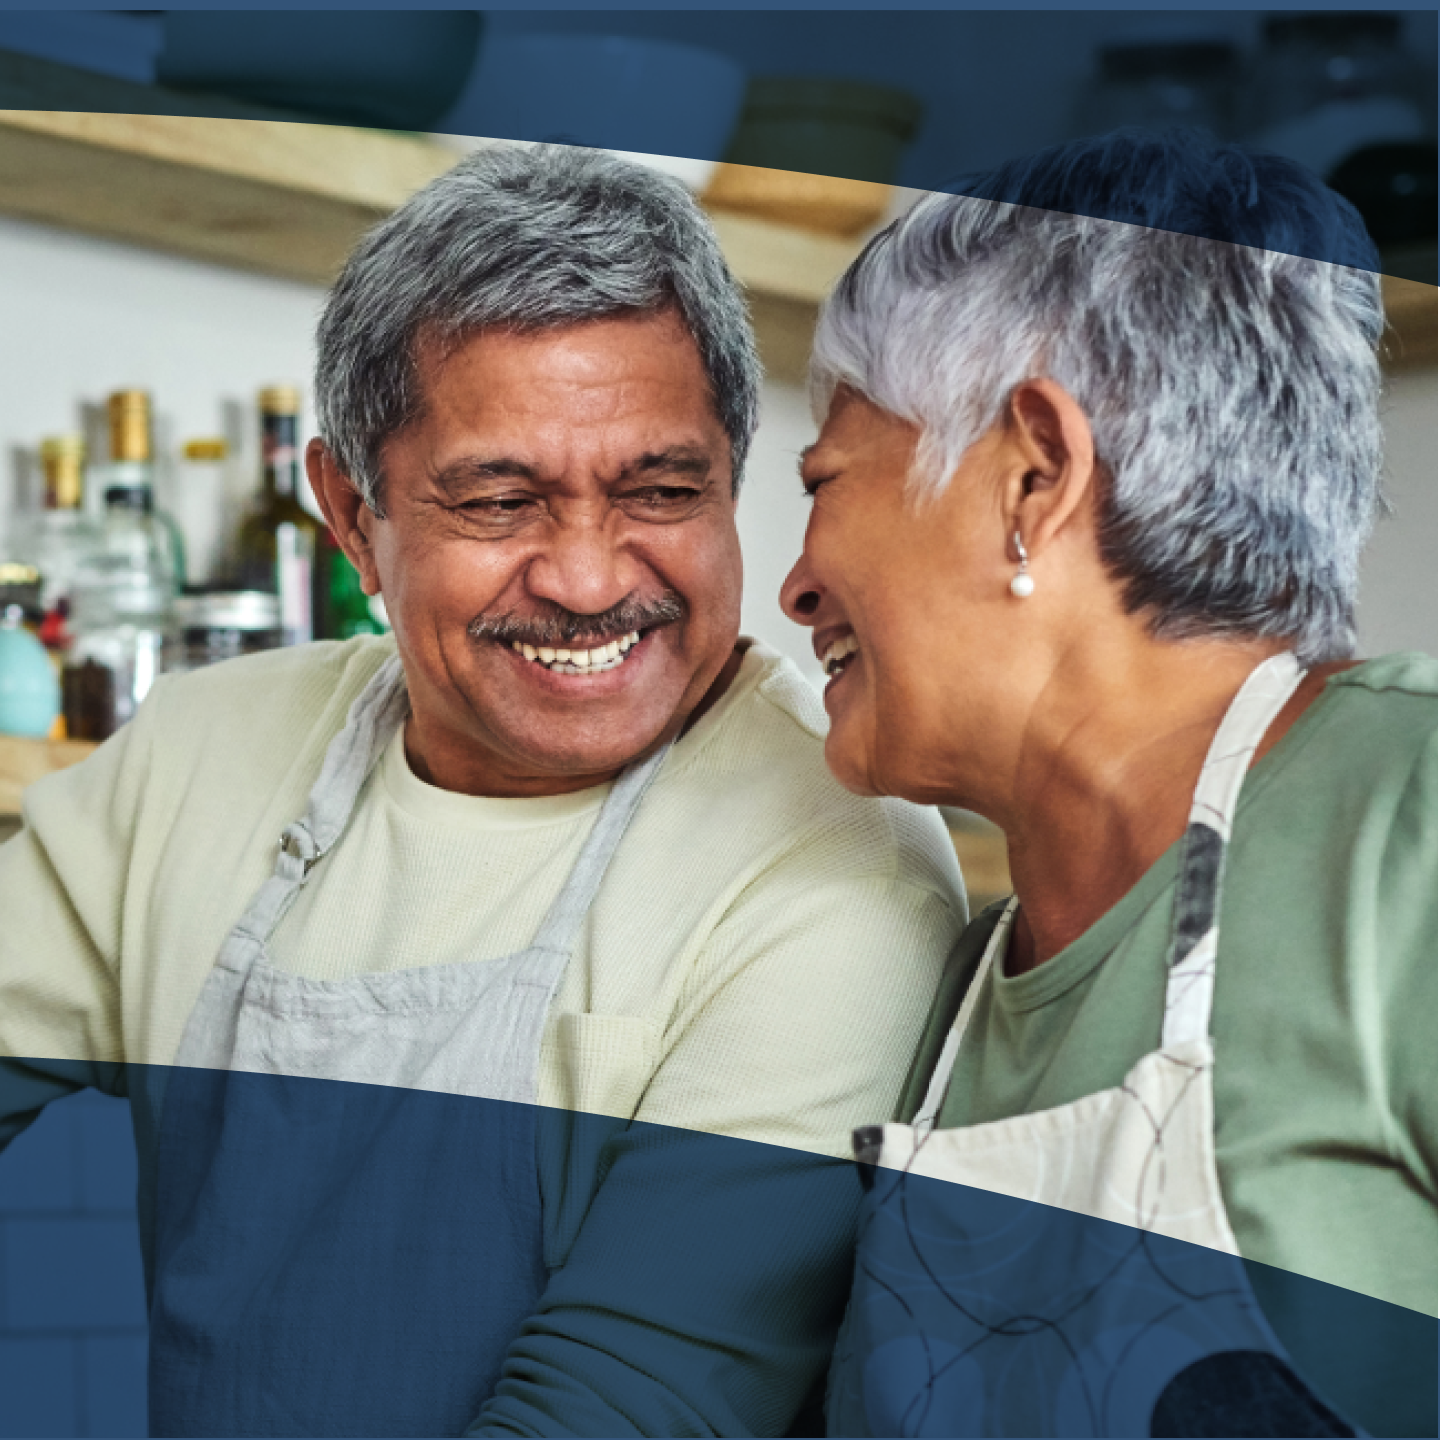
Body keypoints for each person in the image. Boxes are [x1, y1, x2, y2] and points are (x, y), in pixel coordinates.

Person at [0, 145, 967, 1438]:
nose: (583, 578)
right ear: (352, 515)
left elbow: (622, 1408)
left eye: (660, 491)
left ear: (734, 477)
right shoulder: (201, 753)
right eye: (500, 501)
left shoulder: (837, 873)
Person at [778, 130, 1436, 1438]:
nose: (794, 581)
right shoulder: (955, 991)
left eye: (824, 482)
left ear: (1035, 470)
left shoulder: (1405, 818)